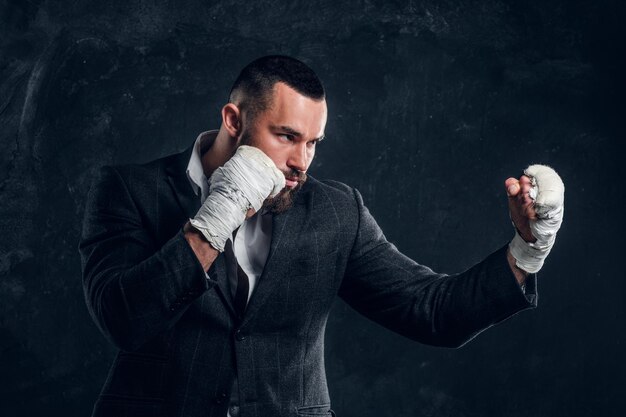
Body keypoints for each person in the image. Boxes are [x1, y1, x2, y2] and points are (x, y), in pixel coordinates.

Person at [79, 55, 564, 417]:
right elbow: (123, 320)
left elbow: (432, 311)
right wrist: (218, 215)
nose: (301, 162)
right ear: (233, 120)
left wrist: (529, 248)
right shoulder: (129, 190)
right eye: (286, 136)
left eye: (312, 143)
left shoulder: (335, 210)